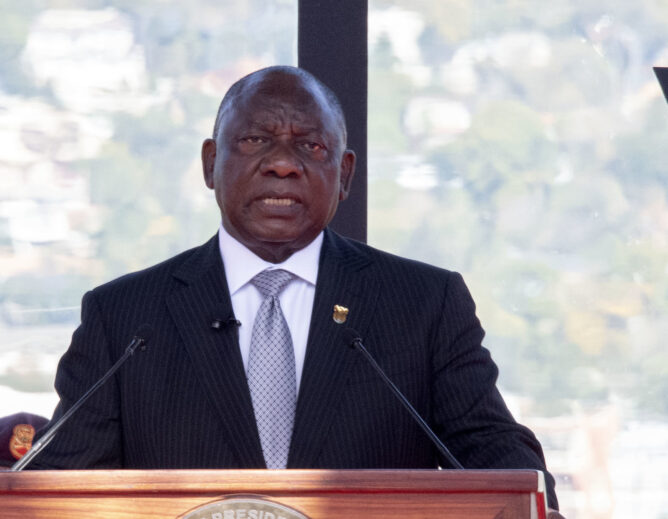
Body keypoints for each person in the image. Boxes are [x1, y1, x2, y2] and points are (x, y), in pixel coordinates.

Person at [29, 65, 562, 515]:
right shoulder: (124, 317)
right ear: (211, 162)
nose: (283, 163)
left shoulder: (423, 304)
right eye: (256, 140)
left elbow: (493, 453)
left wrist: (533, 498)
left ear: (345, 174)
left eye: (310, 145)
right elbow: (58, 494)